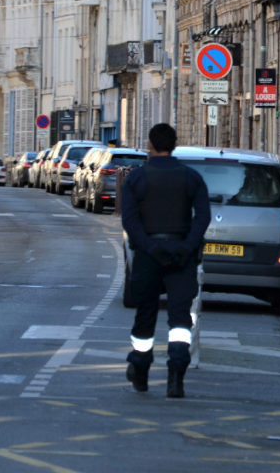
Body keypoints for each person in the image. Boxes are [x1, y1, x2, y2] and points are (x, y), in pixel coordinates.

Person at [121, 123, 211, 398]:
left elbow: (130, 220)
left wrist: (148, 246)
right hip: (181, 255)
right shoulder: (191, 178)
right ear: (175, 144)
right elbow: (203, 217)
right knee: (180, 318)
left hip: (149, 255)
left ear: (150, 144)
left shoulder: (137, 178)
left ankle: (140, 369)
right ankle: (176, 375)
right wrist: (186, 247)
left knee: (145, 314)